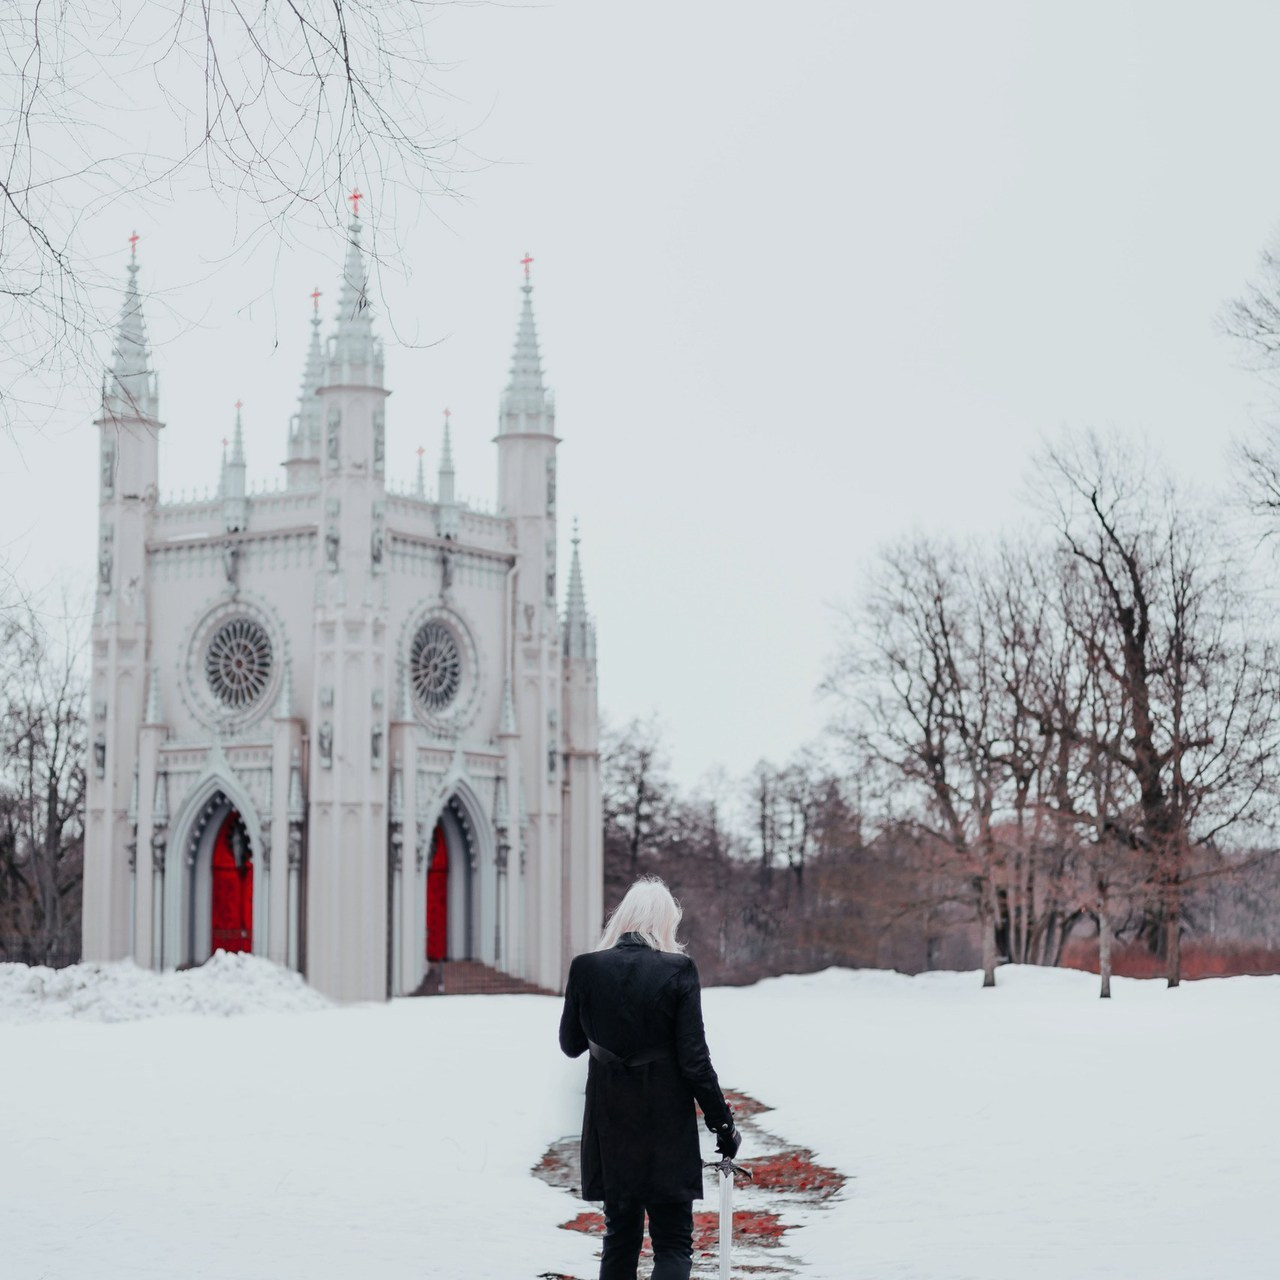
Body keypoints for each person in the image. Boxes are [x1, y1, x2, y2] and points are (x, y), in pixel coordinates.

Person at [558, 876, 740, 1280]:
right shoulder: (678, 969)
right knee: (673, 1243)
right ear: (665, 923)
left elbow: (571, 1044)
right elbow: (695, 1061)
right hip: (665, 1123)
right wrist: (723, 1125)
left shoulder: (586, 967)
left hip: (610, 1120)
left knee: (619, 1239)